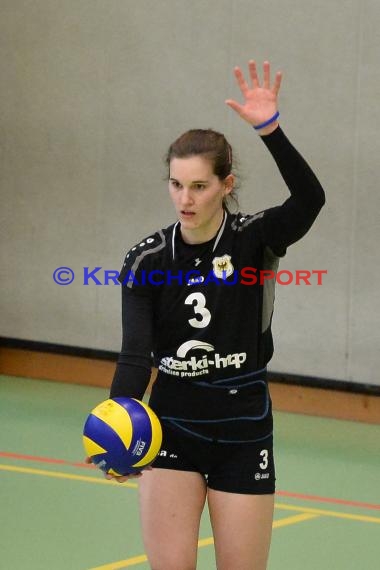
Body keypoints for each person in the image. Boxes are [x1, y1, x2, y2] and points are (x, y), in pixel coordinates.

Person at [107, 60, 325, 569]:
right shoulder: (147, 260)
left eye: (199, 186)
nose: (186, 199)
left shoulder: (255, 238)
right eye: (177, 184)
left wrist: (270, 130)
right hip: (171, 425)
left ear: (226, 185)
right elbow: (137, 355)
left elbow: (311, 199)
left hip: (242, 426)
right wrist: (120, 421)